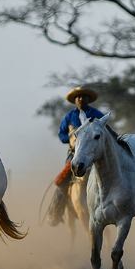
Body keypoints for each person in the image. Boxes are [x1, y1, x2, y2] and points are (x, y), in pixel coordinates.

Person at [49, 86, 105, 225]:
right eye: (78, 97)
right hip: (75, 153)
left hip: (94, 153)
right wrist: (71, 137)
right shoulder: (69, 116)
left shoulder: (97, 114)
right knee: (62, 180)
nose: (80, 99)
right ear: (75, 100)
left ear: (88, 99)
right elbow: (61, 134)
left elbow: (106, 130)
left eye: (83, 96)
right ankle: (57, 212)